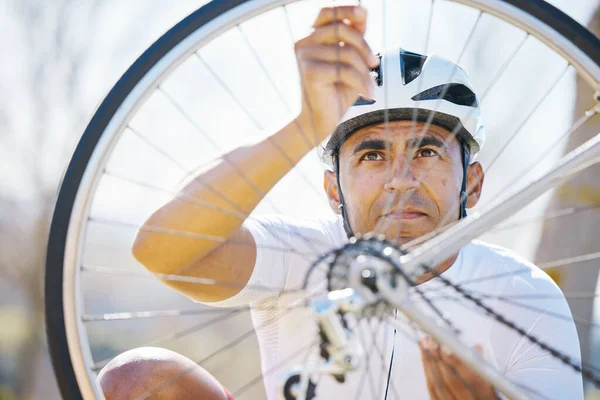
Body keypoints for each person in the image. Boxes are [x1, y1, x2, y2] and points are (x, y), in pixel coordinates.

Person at [100, 5, 583, 399]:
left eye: (427, 150)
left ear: (472, 185)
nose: (400, 179)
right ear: (334, 191)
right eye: (373, 154)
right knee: (138, 378)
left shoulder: (525, 294)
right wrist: (305, 127)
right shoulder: (303, 252)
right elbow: (164, 253)